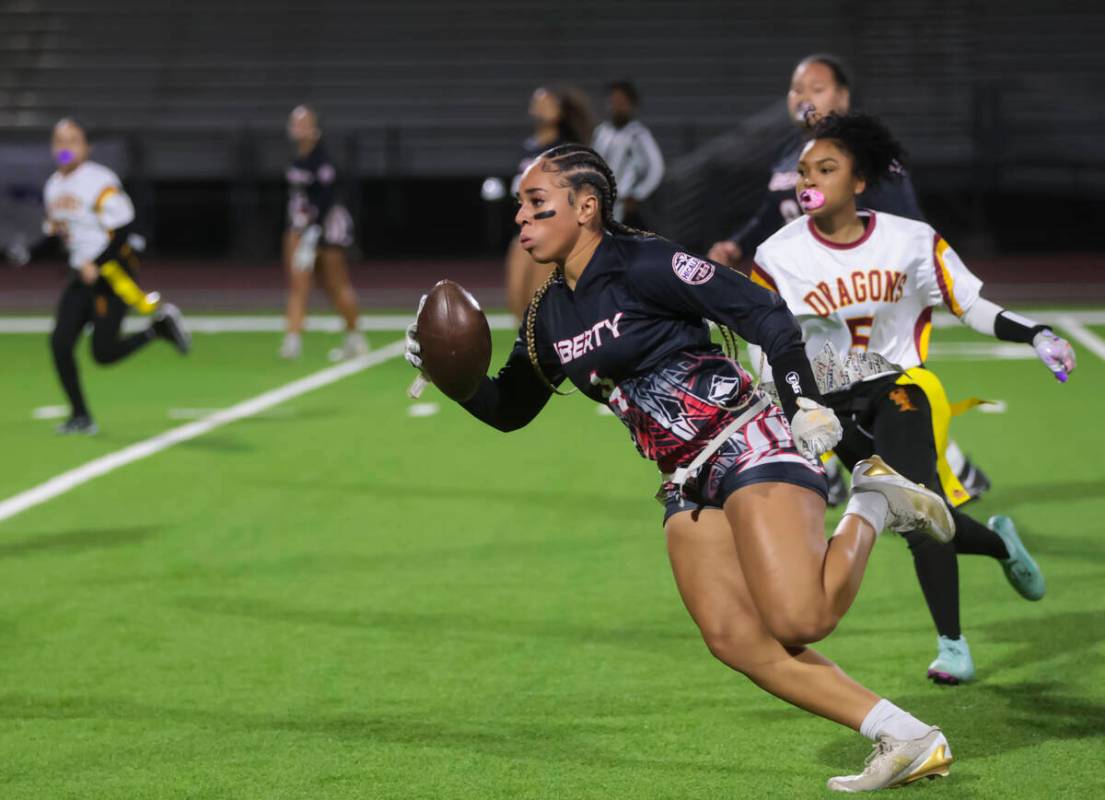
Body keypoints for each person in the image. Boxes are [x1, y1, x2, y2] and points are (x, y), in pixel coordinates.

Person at [407, 144, 959, 791]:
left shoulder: (643, 262)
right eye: (520, 209)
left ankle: (873, 501)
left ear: (586, 207)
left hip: (746, 440)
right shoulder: (548, 313)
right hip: (684, 479)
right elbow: (508, 409)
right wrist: (453, 379)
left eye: (536, 204)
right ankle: (905, 737)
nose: (521, 220)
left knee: (798, 621)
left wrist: (803, 400)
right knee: (733, 638)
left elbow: (763, 315)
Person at [751, 112, 1075, 684]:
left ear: (859, 181)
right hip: (830, 406)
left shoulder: (911, 241)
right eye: (803, 170)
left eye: (827, 168)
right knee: (912, 513)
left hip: (901, 387)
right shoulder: (777, 255)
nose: (810, 180)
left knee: (917, 505)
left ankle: (952, 646)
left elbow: (970, 303)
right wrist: (794, 404)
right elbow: (765, 343)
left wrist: (1036, 334)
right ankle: (999, 543)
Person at [707, 52, 992, 507]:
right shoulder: (793, 157)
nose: (804, 97)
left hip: (859, 298)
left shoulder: (862, 158)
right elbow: (770, 215)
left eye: (816, 88)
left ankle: (946, 473)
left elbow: (906, 228)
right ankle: (835, 470)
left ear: (842, 96)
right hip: (808, 295)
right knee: (792, 379)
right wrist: (736, 246)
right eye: (796, 89)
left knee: (873, 395)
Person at [43, 119, 190, 435]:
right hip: (81, 275)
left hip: (110, 273)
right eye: (59, 141)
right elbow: (66, 231)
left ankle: (158, 329)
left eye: (73, 140)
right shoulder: (53, 186)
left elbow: (123, 228)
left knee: (103, 353)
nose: (65, 147)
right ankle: (80, 416)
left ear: (86, 147)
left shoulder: (99, 180)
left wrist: (97, 262)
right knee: (59, 343)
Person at [280, 105, 368, 362]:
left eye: (304, 123)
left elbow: (328, 200)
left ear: (315, 128)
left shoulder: (323, 161)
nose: (299, 128)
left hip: (327, 229)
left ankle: (355, 336)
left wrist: (313, 232)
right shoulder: (297, 159)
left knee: (336, 285)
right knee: (298, 284)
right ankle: (293, 339)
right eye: (295, 123)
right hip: (300, 227)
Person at [504, 87, 593, 320]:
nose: (541, 105)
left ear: (559, 113)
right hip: (525, 228)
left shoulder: (564, 149)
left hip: (550, 231)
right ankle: (531, 351)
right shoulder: (529, 147)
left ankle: (551, 352)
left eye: (548, 102)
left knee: (540, 302)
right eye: (538, 102)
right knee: (516, 301)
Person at [591, 80, 665, 227]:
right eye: (614, 100)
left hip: (625, 205)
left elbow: (656, 168)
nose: (617, 106)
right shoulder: (601, 132)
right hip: (602, 202)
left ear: (631, 104)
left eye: (622, 101)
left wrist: (638, 194)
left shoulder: (638, 134)